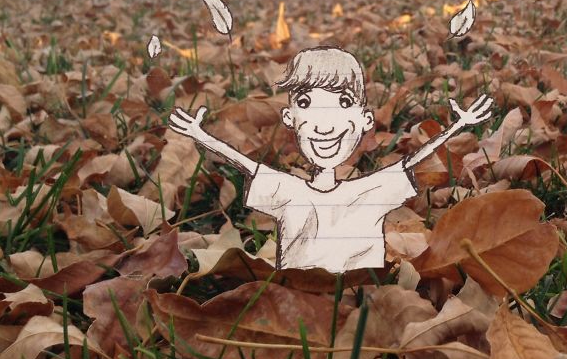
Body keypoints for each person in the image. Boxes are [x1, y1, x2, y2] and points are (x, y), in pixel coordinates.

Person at [168, 45, 493, 273]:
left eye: (343, 102)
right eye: (306, 103)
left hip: (359, 299)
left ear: (366, 119)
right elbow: (247, 165)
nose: (324, 124)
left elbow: (410, 163)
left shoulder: (369, 192)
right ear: (289, 118)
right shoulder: (290, 191)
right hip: (297, 299)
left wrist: (458, 126)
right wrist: (202, 136)